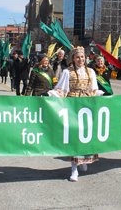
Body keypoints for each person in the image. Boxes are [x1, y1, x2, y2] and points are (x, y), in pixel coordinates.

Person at [48, 46, 104, 181]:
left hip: (87, 106)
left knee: (87, 135)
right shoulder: (68, 72)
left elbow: (93, 90)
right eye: (78, 57)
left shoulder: (90, 72)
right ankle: (74, 169)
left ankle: (84, 160)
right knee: (75, 137)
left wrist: (102, 94)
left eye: (82, 57)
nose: (80, 59)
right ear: (73, 58)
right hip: (73, 106)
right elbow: (62, 90)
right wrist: (50, 94)